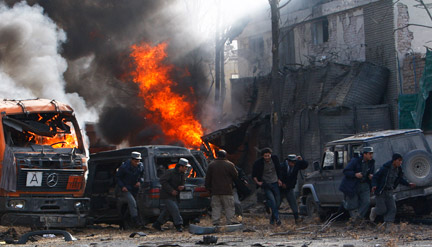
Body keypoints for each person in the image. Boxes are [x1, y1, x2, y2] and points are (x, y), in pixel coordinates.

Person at [369, 153, 415, 230]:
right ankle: (374, 211)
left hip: (389, 191)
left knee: (392, 208)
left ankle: (388, 225)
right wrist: (374, 186)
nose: (400, 162)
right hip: (381, 191)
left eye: (401, 161)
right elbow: (375, 177)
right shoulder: (385, 168)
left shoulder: (399, 169)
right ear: (394, 161)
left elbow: (399, 179)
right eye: (399, 160)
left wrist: (408, 184)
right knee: (382, 209)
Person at [338, 146, 375, 225]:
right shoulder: (355, 161)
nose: (371, 155)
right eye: (369, 154)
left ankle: (357, 219)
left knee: (366, 202)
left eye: (372, 153)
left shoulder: (372, 162)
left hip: (365, 184)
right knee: (353, 205)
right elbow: (346, 171)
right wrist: (355, 174)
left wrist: (371, 176)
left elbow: (371, 172)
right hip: (353, 184)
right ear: (364, 154)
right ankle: (355, 221)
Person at [152, 158, 190, 232]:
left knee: (167, 211)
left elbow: (182, 184)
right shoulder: (170, 172)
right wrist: (171, 190)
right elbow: (162, 181)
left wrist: (182, 187)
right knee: (175, 209)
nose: (186, 169)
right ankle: (178, 225)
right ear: (181, 167)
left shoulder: (182, 175)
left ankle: (157, 224)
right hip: (166, 195)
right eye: (185, 167)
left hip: (175, 196)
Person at [205, 149, 239, 226]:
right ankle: (230, 221)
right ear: (225, 156)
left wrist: (208, 188)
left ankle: (216, 222)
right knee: (229, 207)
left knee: (216, 207)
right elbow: (235, 175)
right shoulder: (229, 164)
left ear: (217, 155)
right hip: (227, 190)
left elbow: (208, 178)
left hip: (215, 191)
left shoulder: (211, 165)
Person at [252, 147, 283, 225]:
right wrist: (258, 182)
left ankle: (272, 218)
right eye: (265, 156)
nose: (267, 157)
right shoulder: (258, 163)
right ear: (262, 156)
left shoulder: (275, 159)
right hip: (266, 184)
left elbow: (279, 169)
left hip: (275, 182)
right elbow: (254, 175)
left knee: (278, 201)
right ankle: (277, 219)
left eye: (268, 155)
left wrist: (279, 179)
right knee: (272, 200)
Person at [116, 151, 145, 227]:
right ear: (131, 160)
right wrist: (122, 186)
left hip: (135, 188)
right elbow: (118, 177)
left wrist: (140, 181)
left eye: (138, 161)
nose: (137, 163)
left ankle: (123, 222)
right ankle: (136, 221)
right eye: (135, 161)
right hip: (126, 189)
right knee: (132, 203)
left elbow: (142, 176)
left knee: (132, 206)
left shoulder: (141, 166)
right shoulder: (124, 167)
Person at [280, 154, 308, 223]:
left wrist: (301, 160)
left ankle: (297, 219)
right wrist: (282, 182)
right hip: (281, 188)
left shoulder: (296, 165)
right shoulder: (282, 166)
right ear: (288, 161)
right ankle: (274, 218)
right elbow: (279, 175)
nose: (293, 164)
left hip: (289, 187)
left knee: (293, 203)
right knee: (277, 203)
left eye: (295, 162)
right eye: (292, 162)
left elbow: (305, 165)